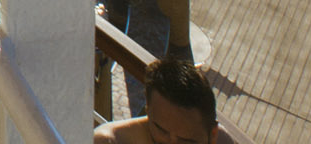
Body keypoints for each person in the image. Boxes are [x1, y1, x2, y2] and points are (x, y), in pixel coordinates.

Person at [94, 59, 239, 144]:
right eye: (161, 130)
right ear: (148, 111)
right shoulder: (109, 142)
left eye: (185, 141)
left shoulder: (222, 141)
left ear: (213, 135)